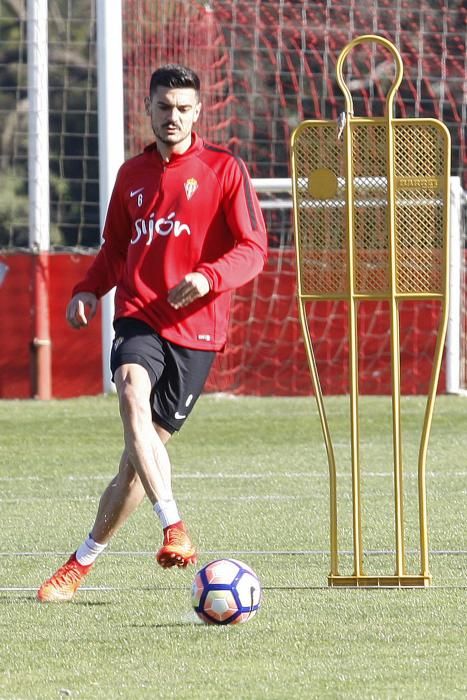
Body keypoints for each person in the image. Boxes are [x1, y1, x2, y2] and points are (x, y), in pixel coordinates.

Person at [37, 64, 268, 602]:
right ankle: (174, 526)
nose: (174, 117)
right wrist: (88, 290)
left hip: (197, 332)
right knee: (130, 392)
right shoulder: (131, 175)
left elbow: (254, 248)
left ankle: (81, 560)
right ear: (148, 108)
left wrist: (207, 277)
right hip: (140, 316)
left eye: (184, 108)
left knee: (136, 467)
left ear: (198, 111)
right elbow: (116, 248)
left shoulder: (223, 169)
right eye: (164, 107)